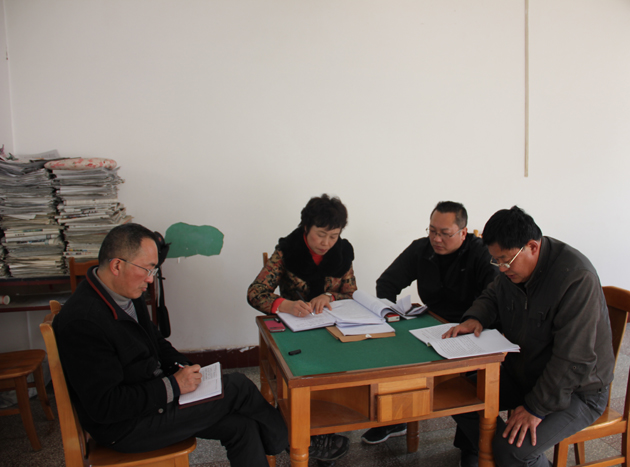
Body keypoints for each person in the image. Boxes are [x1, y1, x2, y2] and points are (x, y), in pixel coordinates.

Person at [52, 223, 288, 467]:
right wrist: (174, 386)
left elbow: (155, 341)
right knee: (238, 386)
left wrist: (184, 368)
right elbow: (106, 406)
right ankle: (287, 441)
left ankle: (281, 440)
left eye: (153, 270)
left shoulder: (124, 293)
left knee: (241, 426)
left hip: (154, 398)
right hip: (126, 427)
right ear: (117, 266)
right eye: (146, 269)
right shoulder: (84, 321)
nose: (149, 279)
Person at [443, 206, 615, 467]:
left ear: (532, 247)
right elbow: (493, 294)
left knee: (513, 451)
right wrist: (476, 317)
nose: (502, 269)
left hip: (577, 389)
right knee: (458, 397)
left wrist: (537, 407)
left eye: (505, 261)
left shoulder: (576, 278)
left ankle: (506, 456)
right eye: (496, 261)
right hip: (524, 373)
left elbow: (573, 359)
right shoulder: (514, 269)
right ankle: (497, 454)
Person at [361, 201, 497, 445]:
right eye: (432, 231)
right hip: (432, 323)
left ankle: (472, 446)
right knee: (395, 350)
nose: (436, 239)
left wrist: (474, 320)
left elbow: (495, 295)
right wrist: (389, 314)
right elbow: (387, 283)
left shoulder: (480, 253)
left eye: (445, 233)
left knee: (468, 382)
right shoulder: (421, 249)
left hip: (471, 327)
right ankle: (396, 416)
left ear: (463, 232)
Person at [247, 193, 356, 462]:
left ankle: (325, 431)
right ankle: (304, 433)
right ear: (306, 227)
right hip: (295, 331)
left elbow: (351, 294)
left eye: (333, 236)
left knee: (344, 367)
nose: (326, 243)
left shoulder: (342, 253)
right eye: (320, 235)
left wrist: (328, 296)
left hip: (332, 329)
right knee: (304, 374)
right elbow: (255, 292)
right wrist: (283, 304)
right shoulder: (288, 251)